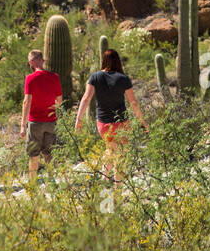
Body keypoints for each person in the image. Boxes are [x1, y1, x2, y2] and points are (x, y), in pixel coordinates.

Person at [74, 49, 147, 184]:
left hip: (102, 123)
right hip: (121, 123)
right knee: (120, 153)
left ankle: (104, 177)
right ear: (118, 61)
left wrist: (78, 119)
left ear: (104, 61)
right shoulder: (123, 79)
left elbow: (86, 98)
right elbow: (133, 103)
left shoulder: (95, 77)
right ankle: (117, 186)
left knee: (110, 148)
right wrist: (142, 121)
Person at [21, 49, 62, 181]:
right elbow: (59, 101)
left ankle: (33, 183)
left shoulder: (30, 79)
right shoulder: (55, 77)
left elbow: (27, 102)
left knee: (33, 154)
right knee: (49, 153)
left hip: (35, 122)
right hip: (51, 121)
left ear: (32, 63)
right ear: (42, 61)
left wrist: (22, 125)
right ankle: (52, 181)